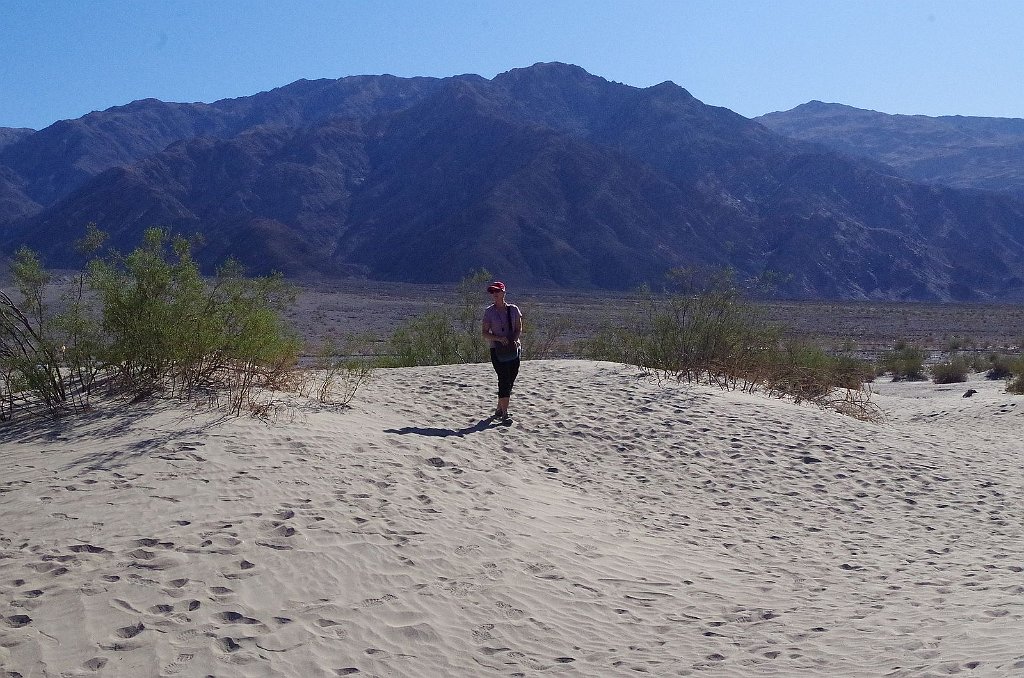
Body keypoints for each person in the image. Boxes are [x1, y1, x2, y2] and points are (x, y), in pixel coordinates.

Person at [481, 281, 523, 422]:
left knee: (511, 379)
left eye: (497, 291)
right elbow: (485, 333)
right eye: (492, 292)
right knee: (503, 379)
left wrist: (514, 339)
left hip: (513, 349)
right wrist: (499, 339)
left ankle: (499, 408)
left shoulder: (514, 309)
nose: (494, 294)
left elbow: (518, 328)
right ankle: (505, 413)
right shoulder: (489, 312)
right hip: (497, 350)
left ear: (504, 292)